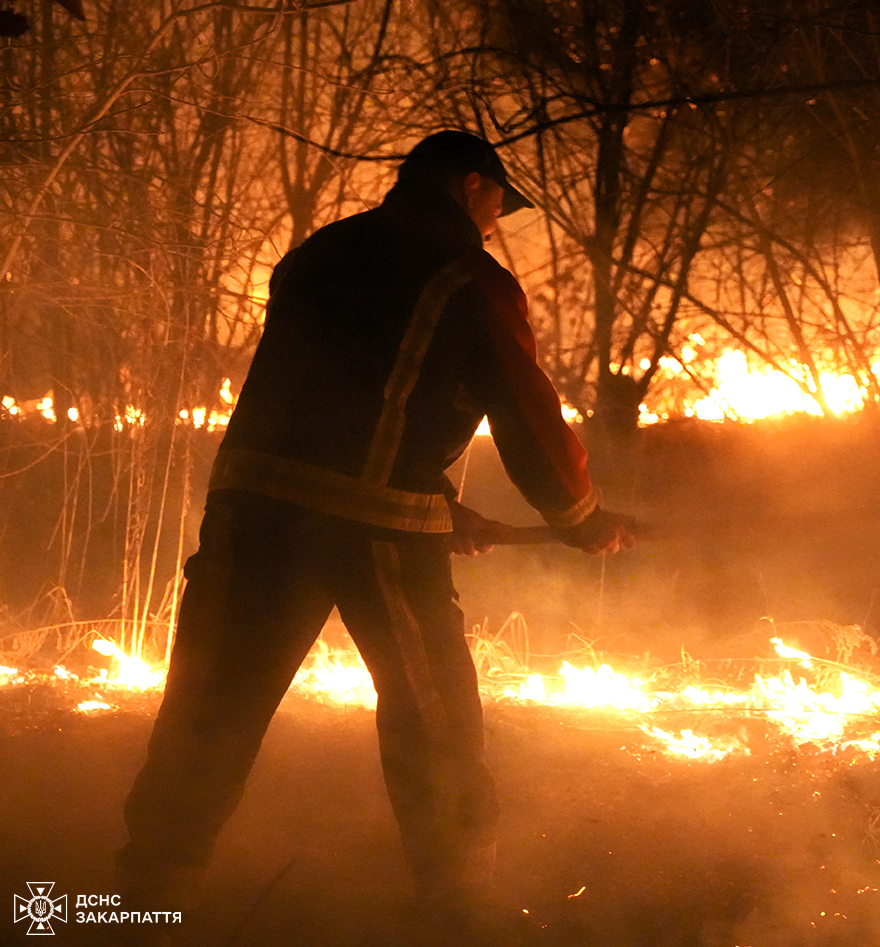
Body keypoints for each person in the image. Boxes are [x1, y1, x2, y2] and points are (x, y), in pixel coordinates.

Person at [117, 130, 633, 929]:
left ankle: (144, 902)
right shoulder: (469, 278)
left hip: (255, 513)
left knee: (209, 706)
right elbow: (528, 419)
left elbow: (338, 391)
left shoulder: (319, 254)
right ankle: (459, 904)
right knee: (435, 721)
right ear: (470, 188)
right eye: (498, 200)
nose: (497, 218)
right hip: (379, 529)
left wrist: (446, 504)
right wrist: (581, 516)